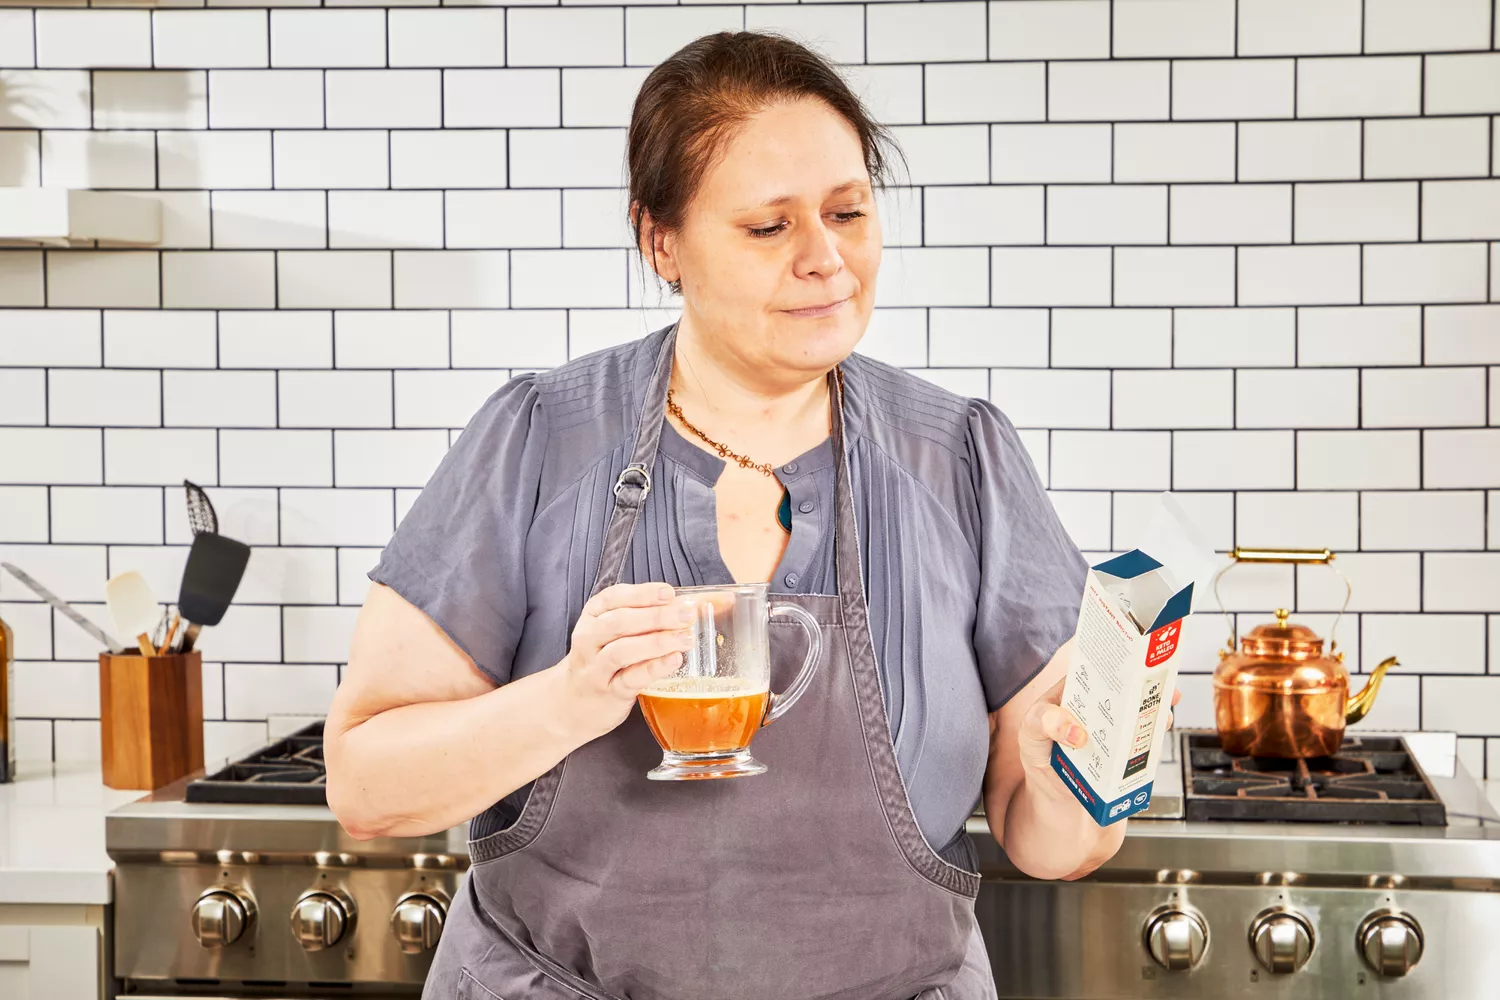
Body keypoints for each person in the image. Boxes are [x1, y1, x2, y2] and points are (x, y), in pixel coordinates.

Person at [325, 31, 1170, 1000]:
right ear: (662, 241)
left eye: (848, 212)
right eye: (769, 228)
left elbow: (1048, 838)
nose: (826, 259)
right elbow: (366, 786)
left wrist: (1083, 776)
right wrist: (567, 701)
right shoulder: (540, 437)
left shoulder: (960, 456)